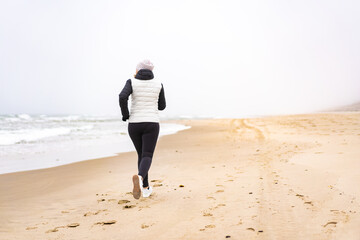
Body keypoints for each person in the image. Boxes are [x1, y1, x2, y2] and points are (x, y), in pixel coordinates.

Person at [119, 59, 166, 199]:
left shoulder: (131, 82)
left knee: (141, 155)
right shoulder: (159, 84)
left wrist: (125, 114)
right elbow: (162, 106)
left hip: (134, 124)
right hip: (151, 123)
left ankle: (145, 188)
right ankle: (140, 178)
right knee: (147, 155)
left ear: (138, 70)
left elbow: (122, 96)